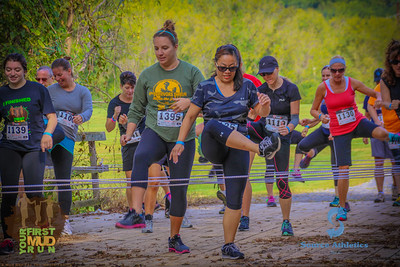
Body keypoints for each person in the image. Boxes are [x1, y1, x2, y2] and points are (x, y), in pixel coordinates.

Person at [171, 44, 277, 259]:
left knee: (235, 200)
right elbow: (190, 117)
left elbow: (260, 113)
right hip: (213, 145)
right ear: (215, 65)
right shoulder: (205, 87)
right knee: (212, 125)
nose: (227, 72)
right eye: (222, 68)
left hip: (238, 145)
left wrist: (265, 104)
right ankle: (260, 148)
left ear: (238, 67)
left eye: (232, 68)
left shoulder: (247, 86)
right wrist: (180, 142)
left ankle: (229, 244)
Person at [119, 20, 204, 253]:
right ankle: (136, 213)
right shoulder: (148, 75)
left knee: (178, 190)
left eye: (164, 48)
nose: (160, 53)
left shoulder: (191, 72)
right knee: (142, 155)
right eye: (156, 48)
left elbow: (206, 102)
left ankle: (174, 238)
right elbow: (136, 108)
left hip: (183, 138)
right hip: (155, 131)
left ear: (175, 46)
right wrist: (128, 133)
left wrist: (190, 101)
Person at [310, 55, 394, 221]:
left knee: (382, 134)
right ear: (330, 70)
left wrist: (378, 100)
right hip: (339, 131)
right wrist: (321, 117)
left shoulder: (352, 82)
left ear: (344, 70)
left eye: (340, 70)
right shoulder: (323, 87)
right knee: (343, 170)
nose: (337, 73)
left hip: (357, 122)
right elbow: (313, 109)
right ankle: (342, 208)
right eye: (333, 70)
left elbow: (375, 93)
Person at [0, 53, 57, 255]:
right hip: (9, 147)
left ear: (24, 70)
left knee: (34, 192)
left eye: (17, 69)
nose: (12, 73)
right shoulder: (2, 93)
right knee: (8, 193)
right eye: (8, 69)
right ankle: (7, 239)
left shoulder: (37, 89)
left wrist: (47, 133)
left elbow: (52, 117)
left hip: (34, 147)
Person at [247, 56, 301, 236]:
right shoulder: (260, 90)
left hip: (282, 137)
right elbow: (254, 113)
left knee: (282, 180)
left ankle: (286, 221)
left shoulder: (291, 89)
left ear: (277, 69)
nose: (266, 76)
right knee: (242, 128)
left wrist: (290, 128)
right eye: (263, 74)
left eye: (269, 73)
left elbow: (295, 117)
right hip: (264, 132)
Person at [47, 57, 93, 235]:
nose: (58, 78)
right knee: (33, 177)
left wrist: (82, 117)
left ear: (69, 71)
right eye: (55, 76)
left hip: (67, 139)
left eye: (60, 75)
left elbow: (88, 109)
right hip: (48, 135)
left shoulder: (82, 92)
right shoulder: (50, 90)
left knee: (63, 180)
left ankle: (64, 220)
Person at [298, 65, 346, 208]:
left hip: (336, 133)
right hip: (324, 131)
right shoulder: (322, 91)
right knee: (302, 145)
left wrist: (335, 131)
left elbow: (343, 115)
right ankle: (311, 154)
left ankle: (340, 198)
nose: (325, 78)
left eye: (327, 75)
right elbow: (319, 115)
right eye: (323, 75)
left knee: (336, 166)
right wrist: (308, 125)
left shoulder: (339, 92)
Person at [363, 68, 396, 203]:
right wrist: (366, 133)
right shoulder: (370, 95)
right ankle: (380, 192)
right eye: (377, 81)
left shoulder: (393, 91)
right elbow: (367, 114)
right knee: (379, 162)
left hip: (392, 130)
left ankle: (396, 189)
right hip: (376, 131)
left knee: (395, 161)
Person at [378, 39, 400, 206]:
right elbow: (384, 102)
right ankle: (398, 194)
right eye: (394, 62)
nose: (398, 65)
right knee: (397, 161)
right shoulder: (386, 78)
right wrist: (391, 104)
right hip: (393, 128)